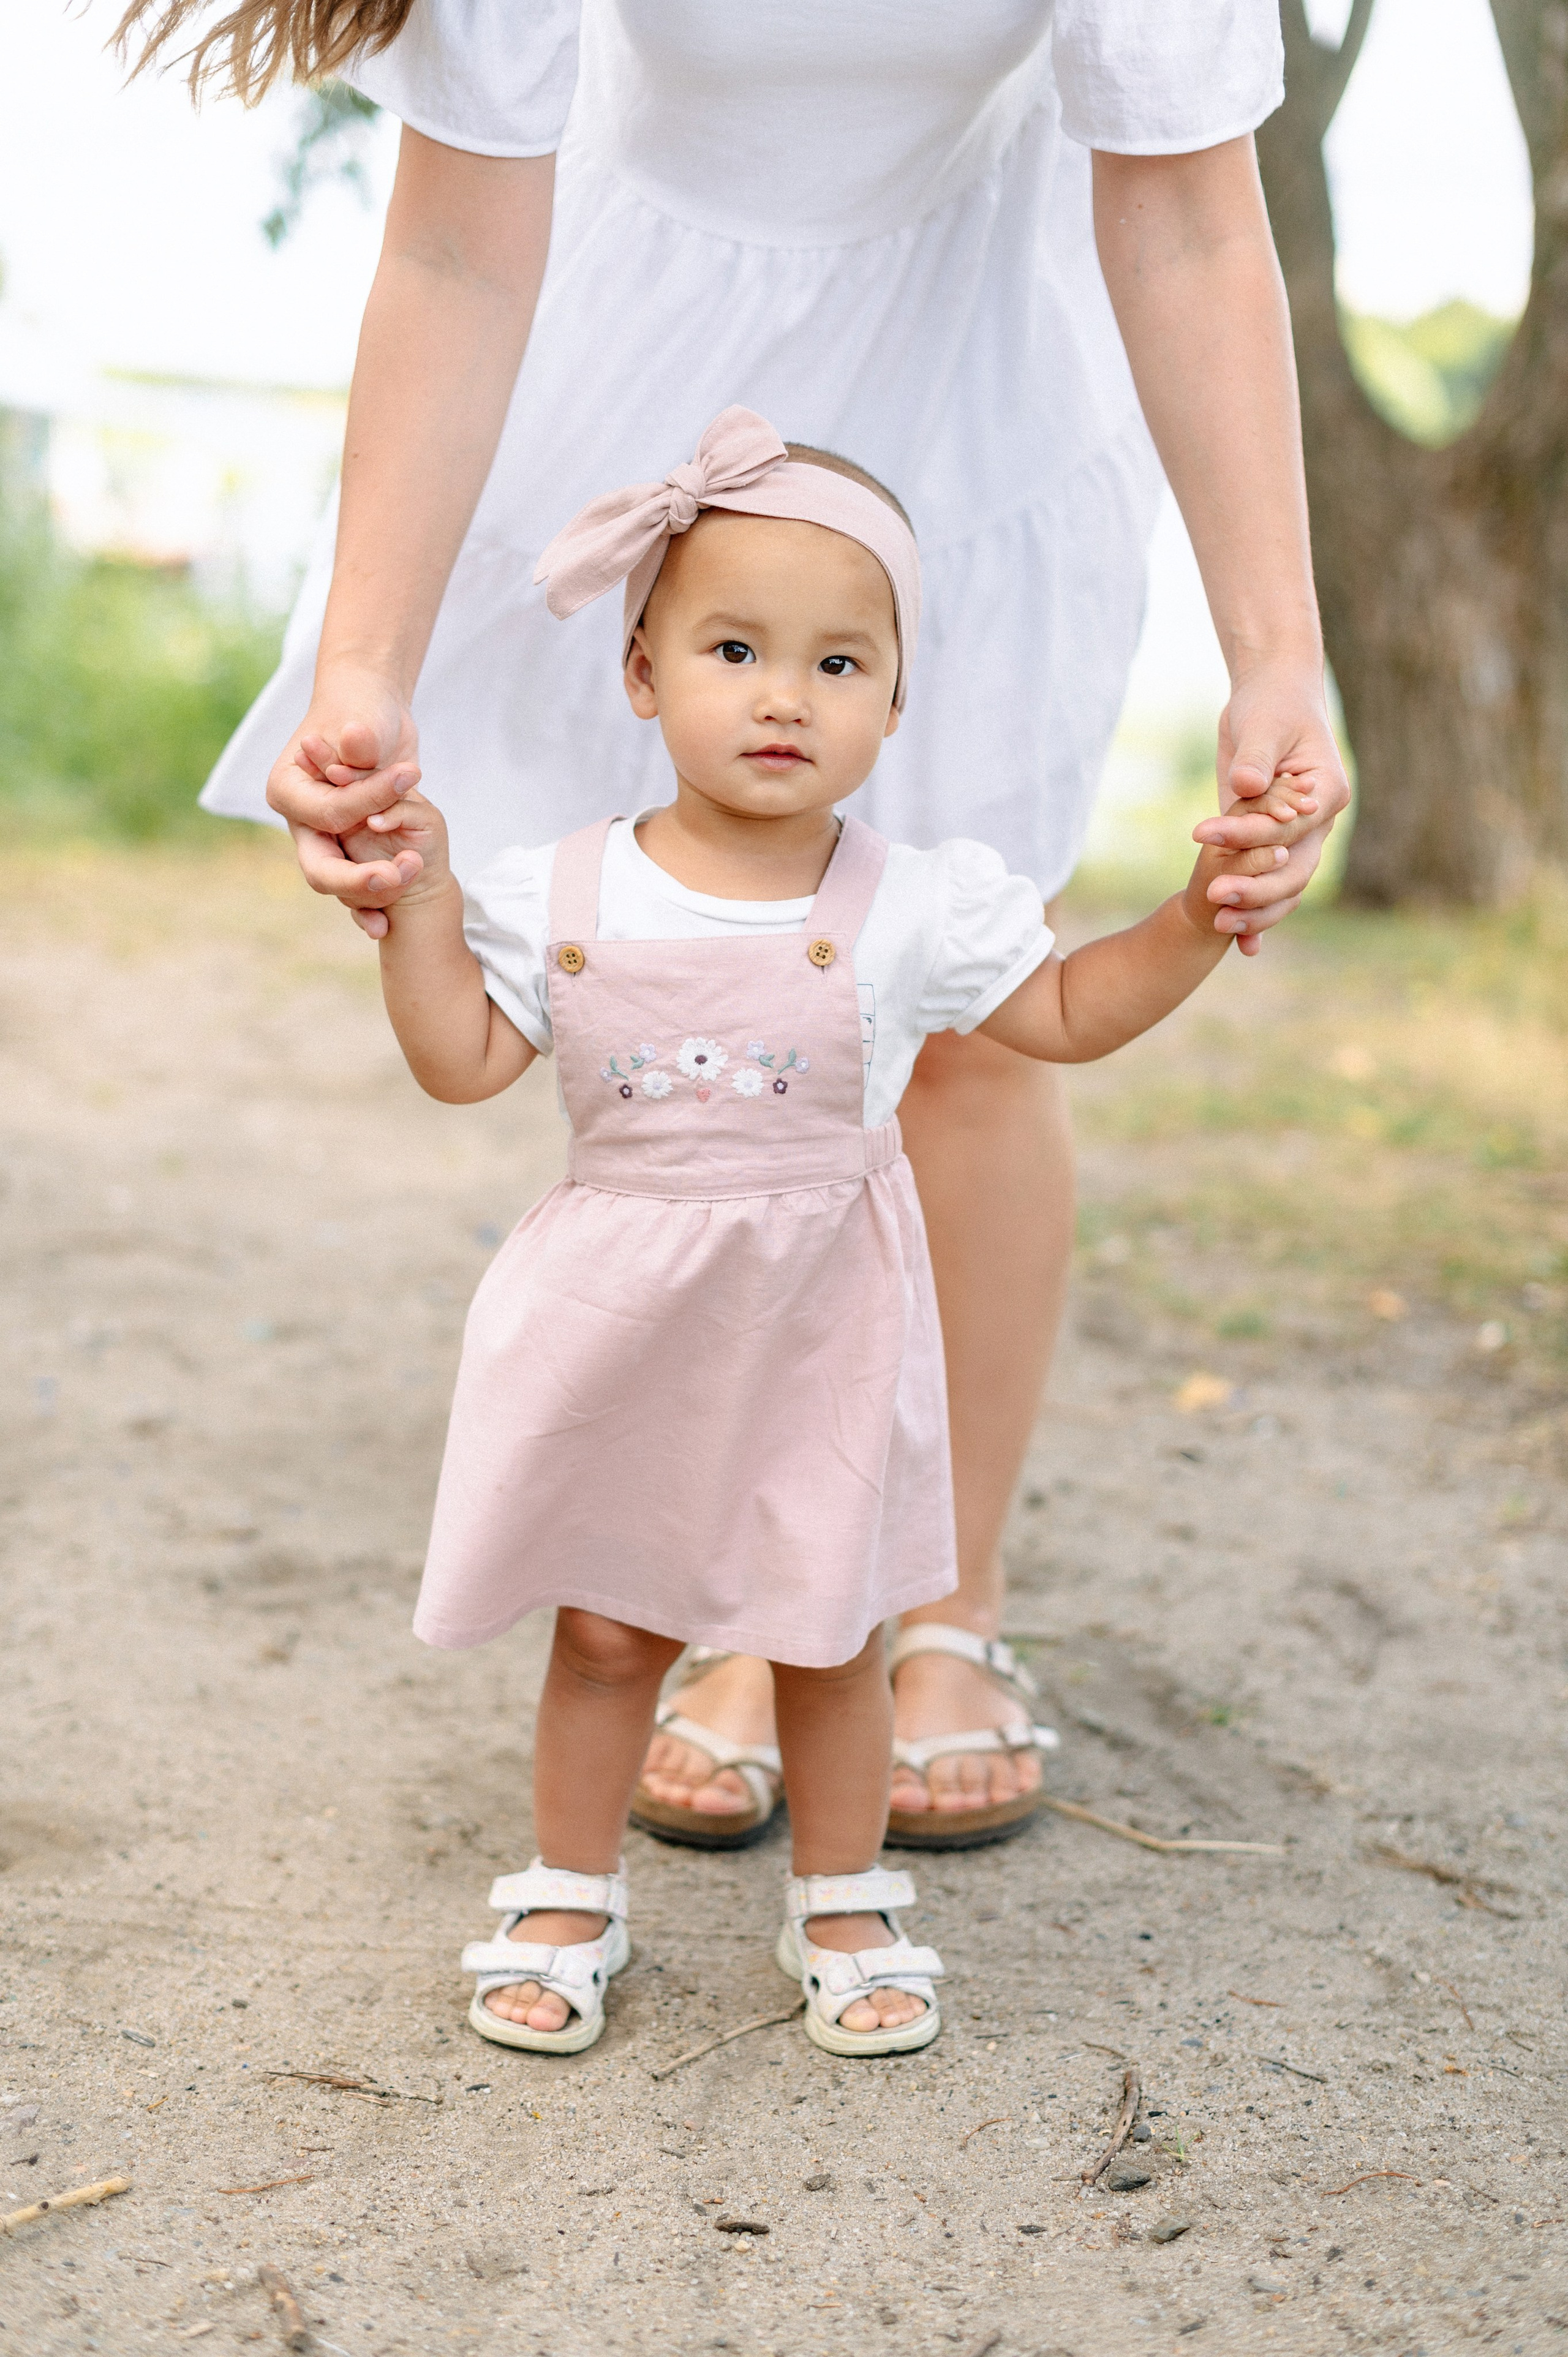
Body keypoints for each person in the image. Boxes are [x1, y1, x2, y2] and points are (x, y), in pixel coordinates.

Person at [127, 0, 1349, 1842]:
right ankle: (740, 1593)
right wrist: (367, 661)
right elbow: (458, 237)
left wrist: (1281, 659)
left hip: (972, 389)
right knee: (679, 1008)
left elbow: (1182, 209)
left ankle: (942, 1603)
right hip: (631, 381)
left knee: (956, 1017)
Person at [360, 409, 1315, 2054]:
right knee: (604, 1629)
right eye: (737, 649)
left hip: (816, 1316)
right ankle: (570, 1892)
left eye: (841, 663)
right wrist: (420, 914)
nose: (786, 696)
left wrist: (1190, 918)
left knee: (830, 1622)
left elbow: (1070, 1013)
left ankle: (845, 1899)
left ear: (894, 699)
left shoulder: (909, 903)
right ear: (645, 672)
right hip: (620, 1314)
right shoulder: (563, 889)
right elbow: (460, 1064)